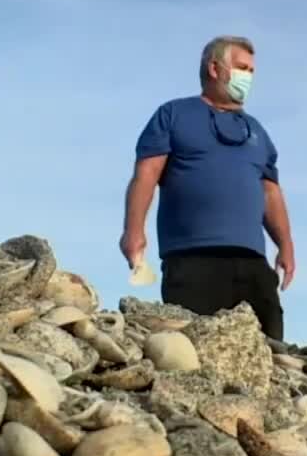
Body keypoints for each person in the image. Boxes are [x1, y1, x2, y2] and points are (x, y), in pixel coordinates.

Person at [118, 35, 296, 342]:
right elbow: (146, 175)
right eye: (242, 68)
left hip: (253, 263)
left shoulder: (257, 131)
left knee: (271, 355)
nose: (248, 77)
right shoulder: (173, 114)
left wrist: (286, 245)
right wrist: (134, 231)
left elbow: (270, 191)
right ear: (215, 68)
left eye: (252, 71)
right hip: (192, 262)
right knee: (194, 353)